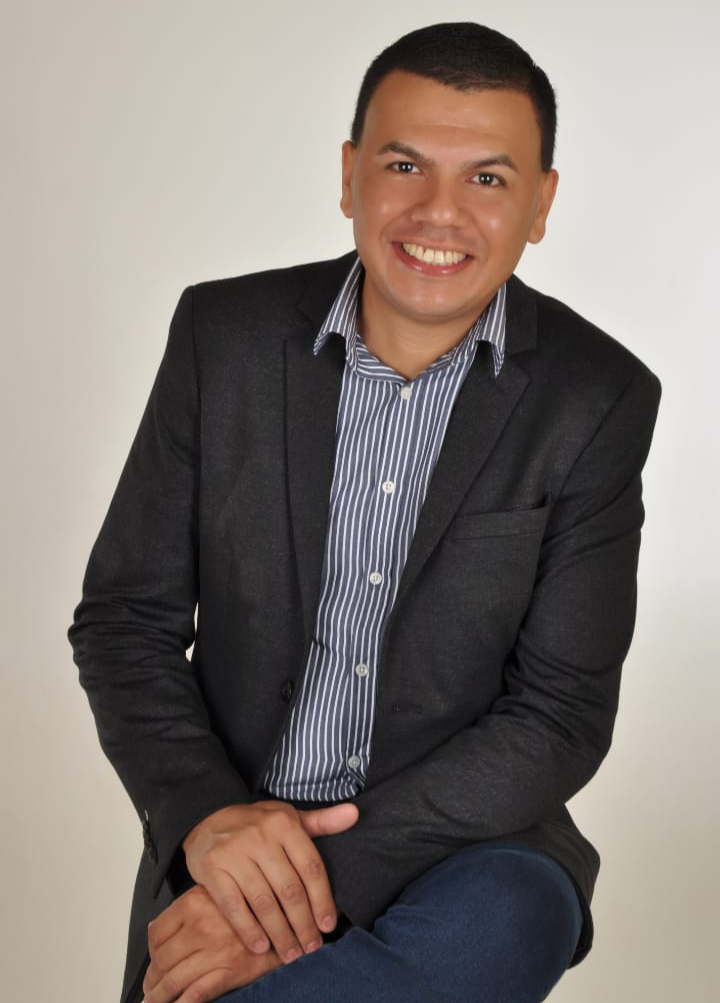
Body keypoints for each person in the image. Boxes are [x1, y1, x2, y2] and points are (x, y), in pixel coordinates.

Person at [68, 21, 661, 1003]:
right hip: (236, 839)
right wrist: (210, 821)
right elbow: (125, 619)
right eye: (404, 164)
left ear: (541, 204)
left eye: (487, 177)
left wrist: (300, 895)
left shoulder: (597, 397)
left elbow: (560, 712)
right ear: (350, 175)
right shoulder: (224, 337)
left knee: (509, 918)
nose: (440, 212)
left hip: (471, 850)